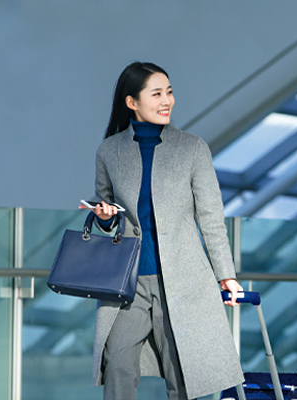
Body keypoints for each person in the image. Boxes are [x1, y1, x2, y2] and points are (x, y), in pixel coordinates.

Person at [86, 61, 244, 400]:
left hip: (182, 280)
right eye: (156, 93)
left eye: (169, 92)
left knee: (181, 370)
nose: (167, 100)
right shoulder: (109, 151)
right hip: (127, 282)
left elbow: (211, 218)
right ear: (132, 102)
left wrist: (226, 275)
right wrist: (103, 216)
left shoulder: (192, 148)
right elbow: (108, 212)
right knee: (117, 363)